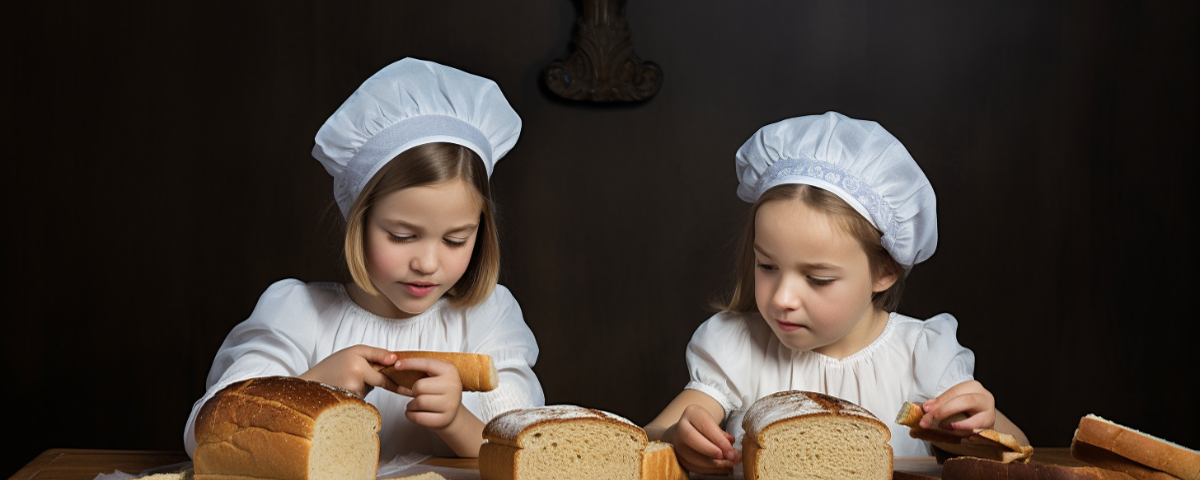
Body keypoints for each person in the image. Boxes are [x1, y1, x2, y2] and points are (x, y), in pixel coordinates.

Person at [182, 58, 543, 461]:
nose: (427, 262)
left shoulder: (487, 319)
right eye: (402, 236)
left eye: (455, 240)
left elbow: (524, 455)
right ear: (359, 221)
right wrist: (312, 387)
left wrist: (455, 419)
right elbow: (206, 438)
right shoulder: (298, 315)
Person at [645, 111, 1028, 474]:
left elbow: (1018, 453)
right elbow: (651, 437)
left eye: (818, 279)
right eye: (767, 267)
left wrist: (984, 424)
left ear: (885, 271)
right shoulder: (737, 346)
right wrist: (677, 437)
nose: (782, 298)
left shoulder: (923, 356)